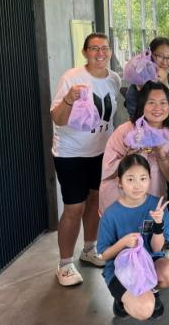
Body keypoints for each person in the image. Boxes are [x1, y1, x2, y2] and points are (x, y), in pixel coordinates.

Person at [50, 32, 121, 286]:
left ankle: (89, 248)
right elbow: (58, 119)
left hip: (101, 152)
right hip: (71, 153)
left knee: (94, 200)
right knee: (74, 207)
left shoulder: (114, 79)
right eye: (94, 48)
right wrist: (69, 99)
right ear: (85, 52)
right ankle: (65, 264)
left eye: (105, 48)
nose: (100, 53)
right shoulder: (71, 78)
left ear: (110, 51)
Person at [97, 154, 169, 320]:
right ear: (119, 182)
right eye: (130, 179)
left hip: (150, 261)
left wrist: (158, 224)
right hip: (121, 267)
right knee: (144, 310)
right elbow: (104, 255)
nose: (137, 185)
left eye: (143, 178)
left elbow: (157, 249)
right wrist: (122, 243)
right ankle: (121, 299)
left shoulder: (157, 207)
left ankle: (151, 290)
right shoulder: (111, 214)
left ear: (150, 179)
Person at [99, 81, 169, 216]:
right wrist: (129, 157)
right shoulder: (125, 131)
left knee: (151, 228)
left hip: (153, 199)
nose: (158, 107)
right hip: (119, 199)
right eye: (151, 102)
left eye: (163, 102)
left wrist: (160, 153)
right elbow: (108, 171)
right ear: (142, 105)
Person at [124, 36, 169, 119]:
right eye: (160, 56)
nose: (165, 62)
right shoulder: (138, 83)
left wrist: (165, 83)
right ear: (149, 56)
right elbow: (136, 118)